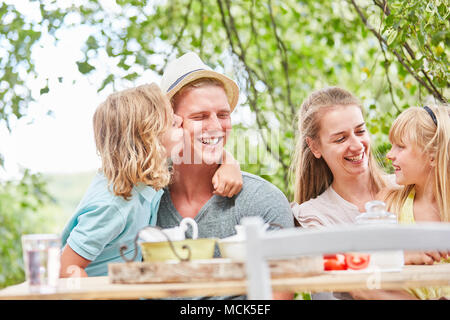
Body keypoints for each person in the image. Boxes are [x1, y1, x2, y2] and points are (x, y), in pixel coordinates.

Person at [59, 83, 242, 278]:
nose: (181, 121)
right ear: (149, 140)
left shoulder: (145, 178)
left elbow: (202, 152)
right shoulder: (114, 205)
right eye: (173, 123)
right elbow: (65, 270)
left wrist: (229, 162)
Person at [158, 52, 295, 299]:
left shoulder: (263, 200)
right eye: (200, 117)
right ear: (170, 124)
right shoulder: (146, 201)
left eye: (223, 115)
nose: (215, 126)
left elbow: (279, 295)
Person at [290, 86, 414, 300]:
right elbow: (342, 286)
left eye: (360, 131)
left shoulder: (406, 188)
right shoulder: (312, 216)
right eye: (340, 139)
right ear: (315, 147)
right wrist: (401, 256)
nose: (357, 145)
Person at [380, 105, 449, 299]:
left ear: (433, 156)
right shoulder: (387, 206)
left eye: (400, 146)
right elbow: (361, 275)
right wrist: (402, 256)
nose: (389, 154)